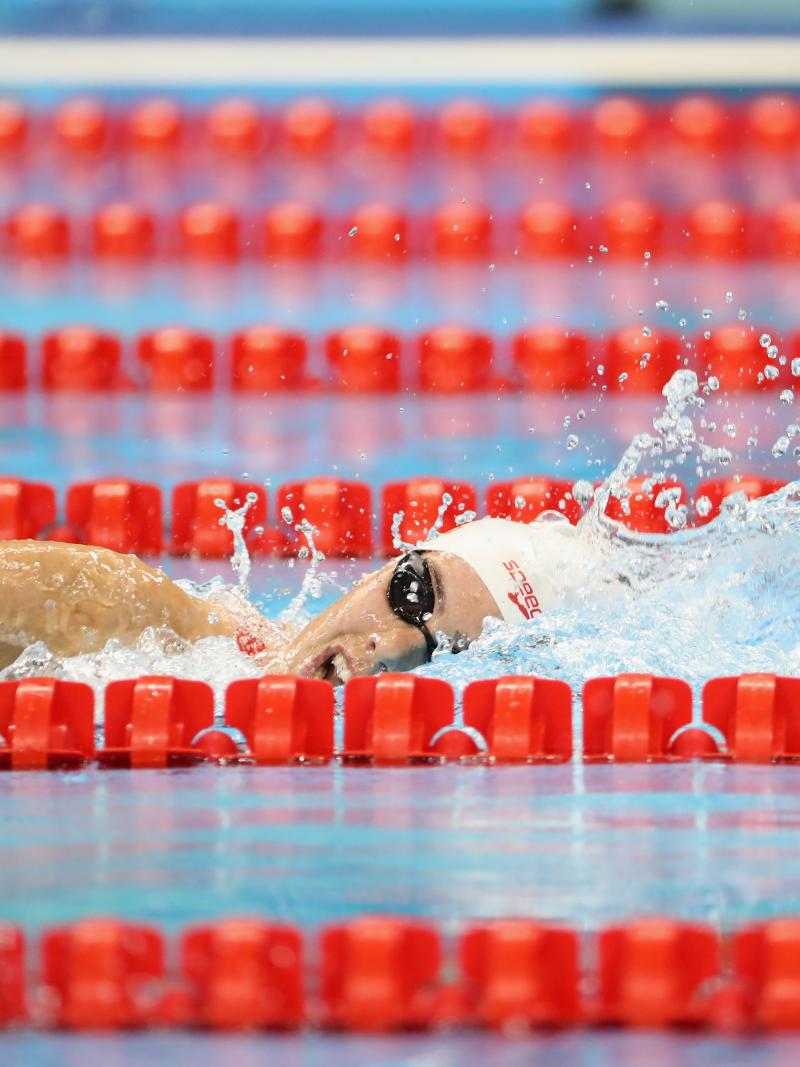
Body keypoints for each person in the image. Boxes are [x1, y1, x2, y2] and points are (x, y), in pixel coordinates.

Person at [0, 515, 593, 679]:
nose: (383, 648)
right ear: (378, 571)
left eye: (446, 654)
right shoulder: (167, 626)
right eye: (409, 592)